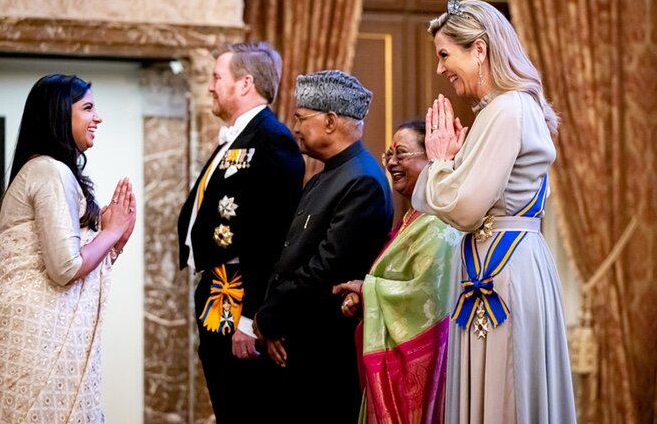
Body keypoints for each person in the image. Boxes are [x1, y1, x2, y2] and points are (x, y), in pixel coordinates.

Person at [413, 0, 577, 423]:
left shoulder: (506, 109)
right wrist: (452, 164)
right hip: (503, 263)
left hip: (503, 270)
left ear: (480, 50)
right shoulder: (502, 109)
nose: (440, 69)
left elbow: (465, 209)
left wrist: (437, 162)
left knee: (506, 392)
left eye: (445, 55)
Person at [0, 74, 136, 423]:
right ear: (58, 116)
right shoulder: (50, 171)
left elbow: (62, 257)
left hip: (26, 333)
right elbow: (65, 268)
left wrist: (115, 242)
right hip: (32, 340)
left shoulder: (41, 170)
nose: (98, 117)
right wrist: (110, 233)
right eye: (87, 108)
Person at [253, 70, 394, 423]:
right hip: (295, 340)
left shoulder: (362, 180)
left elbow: (326, 268)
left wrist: (270, 318)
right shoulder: (326, 175)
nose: (294, 127)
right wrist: (275, 322)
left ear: (330, 121)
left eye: (301, 118)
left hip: (324, 351)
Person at [176, 42, 304, 423]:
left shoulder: (272, 140)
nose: (211, 87)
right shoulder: (238, 137)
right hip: (217, 288)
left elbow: (268, 237)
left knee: (244, 407)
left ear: (245, 83)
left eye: (217, 78)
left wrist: (250, 319)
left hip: (240, 297)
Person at [333, 120, 463, 424]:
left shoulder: (439, 223)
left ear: (430, 157)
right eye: (388, 155)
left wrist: (367, 291)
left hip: (426, 364)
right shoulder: (411, 219)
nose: (391, 162)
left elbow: (426, 294)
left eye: (401, 154)